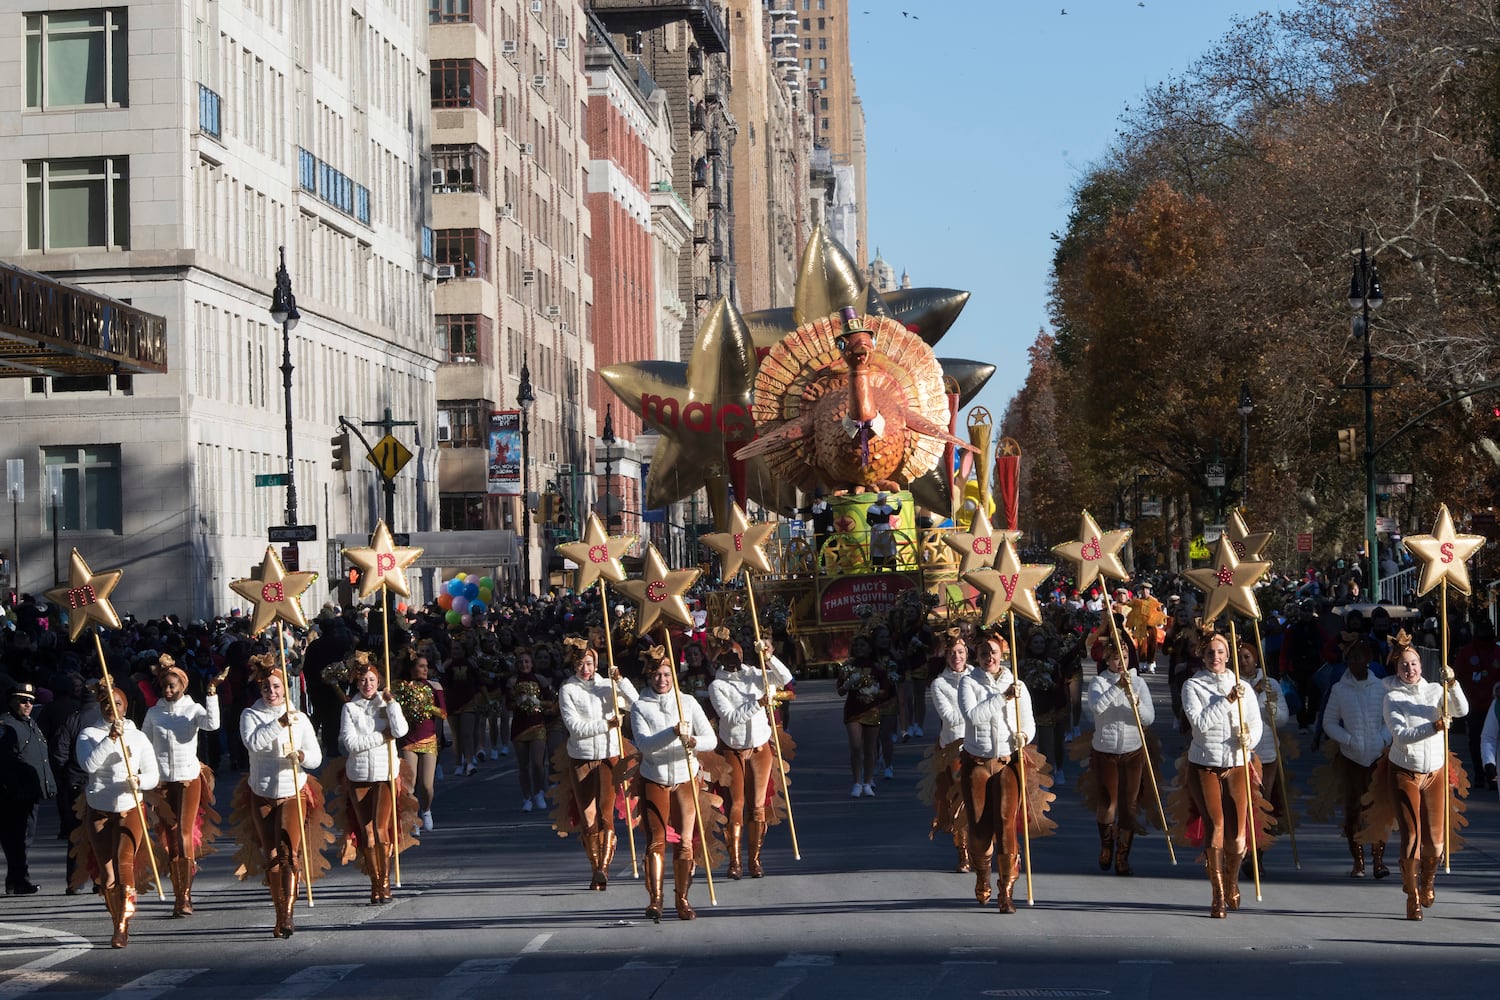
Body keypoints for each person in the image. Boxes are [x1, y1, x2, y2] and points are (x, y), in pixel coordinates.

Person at [1384, 634, 1468, 920]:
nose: (1411, 670)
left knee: (1435, 841)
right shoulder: (1392, 697)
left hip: (1435, 770)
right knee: (1411, 836)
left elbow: (1462, 710)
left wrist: (1453, 684)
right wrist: (1434, 726)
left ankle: (1428, 881)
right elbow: (1401, 735)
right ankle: (1412, 895)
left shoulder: (1435, 690)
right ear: (1397, 670)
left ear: (1422, 665)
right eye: (1404, 666)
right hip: (1404, 770)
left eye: (1415, 663)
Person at [239, 657, 324, 938]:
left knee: (289, 852)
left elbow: (316, 756)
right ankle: (279, 912)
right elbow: (253, 742)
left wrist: (301, 756)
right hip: (262, 792)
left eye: (276, 686)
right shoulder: (250, 715)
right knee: (272, 855)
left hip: (292, 791)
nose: (271, 692)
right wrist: (278, 723)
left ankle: (287, 916)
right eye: (266, 687)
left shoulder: (299, 717)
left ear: (285, 688)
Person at [631, 645, 717, 922]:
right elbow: (644, 745)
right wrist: (672, 732)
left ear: (674, 676)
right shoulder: (639, 706)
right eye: (657, 674)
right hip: (654, 776)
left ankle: (683, 899)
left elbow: (710, 739)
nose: (662, 679)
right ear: (649, 676)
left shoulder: (688, 702)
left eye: (667, 674)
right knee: (656, 842)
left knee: (685, 842)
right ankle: (656, 899)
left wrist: (693, 741)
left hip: (685, 776)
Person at [1182, 628, 1263, 918]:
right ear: (1201, 656)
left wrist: (1248, 740)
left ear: (1228, 655)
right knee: (1216, 824)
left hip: (1237, 763)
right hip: (1205, 763)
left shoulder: (1243, 687)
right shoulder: (1193, 686)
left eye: (1220, 651)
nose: (1215, 657)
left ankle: (1231, 879)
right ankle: (1217, 894)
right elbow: (1200, 724)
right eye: (1209, 652)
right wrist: (1226, 701)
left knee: (1238, 835)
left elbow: (1255, 724)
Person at [77, 684, 160, 948]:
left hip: (130, 806)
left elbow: (153, 774)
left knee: (125, 864)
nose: (112, 708)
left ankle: (123, 926)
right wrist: (110, 739)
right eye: (106, 704)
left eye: (117, 703)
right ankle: (116, 920)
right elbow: (88, 764)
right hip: (99, 809)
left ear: (125, 707)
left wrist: (139, 780)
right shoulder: (88, 734)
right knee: (108, 873)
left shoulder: (138, 737)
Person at [958, 634, 1034, 914]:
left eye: (993, 652)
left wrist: (1023, 735)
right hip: (977, 762)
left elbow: (1028, 721)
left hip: (1006, 761)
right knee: (979, 829)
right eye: (983, 653)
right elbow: (972, 716)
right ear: (976, 658)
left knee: (1005, 824)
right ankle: (982, 871)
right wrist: (1003, 698)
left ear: (1003, 654)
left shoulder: (1018, 685)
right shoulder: (969, 682)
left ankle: (1006, 890)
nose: (989, 657)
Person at [141, 655, 223, 917]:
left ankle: (185, 898)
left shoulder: (193, 709)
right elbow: (143, 745)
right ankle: (178, 893)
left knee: (184, 835)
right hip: (162, 782)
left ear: (183, 686)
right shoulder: (154, 712)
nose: (168, 690)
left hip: (188, 779)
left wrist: (211, 694)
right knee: (169, 839)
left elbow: (212, 724)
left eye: (173, 686)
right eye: (164, 686)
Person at [708, 638, 794, 880]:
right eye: (730, 656)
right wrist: (758, 703)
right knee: (736, 804)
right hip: (733, 748)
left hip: (759, 747)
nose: (736, 659)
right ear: (722, 659)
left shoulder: (755, 674)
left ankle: (754, 860)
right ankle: (734, 860)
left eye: (739, 654)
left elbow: (785, 678)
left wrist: (767, 656)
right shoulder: (718, 685)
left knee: (757, 806)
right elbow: (730, 717)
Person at [558, 635, 638, 890]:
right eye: (581, 663)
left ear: (596, 663)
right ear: (574, 665)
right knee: (588, 817)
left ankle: (604, 866)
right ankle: (595, 869)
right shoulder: (568, 689)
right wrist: (606, 724)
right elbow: (574, 727)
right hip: (582, 757)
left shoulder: (607, 685)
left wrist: (620, 680)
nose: (586, 668)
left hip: (608, 754)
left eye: (590, 663)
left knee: (606, 815)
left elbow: (636, 703)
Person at [337, 654, 409, 904]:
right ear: (357, 684)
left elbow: (400, 731)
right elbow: (350, 744)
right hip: (358, 776)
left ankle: (385, 883)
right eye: (363, 680)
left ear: (378, 681)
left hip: (384, 774)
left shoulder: (386, 703)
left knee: (380, 830)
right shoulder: (350, 708)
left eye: (371, 679)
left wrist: (392, 705)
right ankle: (375, 881)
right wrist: (381, 737)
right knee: (366, 833)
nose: (368, 684)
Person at [1321, 638, 1390, 878]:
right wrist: (1347, 739)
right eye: (1350, 659)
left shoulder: (1381, 688)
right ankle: (1358, 860)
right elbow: (1328, 722)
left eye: (1358, 658)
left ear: (1368, 661)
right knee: (1354, 810)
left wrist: (1383, 739)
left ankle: (1379, 860)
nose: (1354, 663)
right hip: (1351, 759)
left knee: (1378, 809)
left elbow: (1389, 721)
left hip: (1377, 758)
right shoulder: (1340, 690)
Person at [1085, 644, 1154, 876]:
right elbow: (1096, 707)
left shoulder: (1139, 683)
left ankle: (1123, 855)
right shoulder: (1099, 682)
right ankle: (1106, 844)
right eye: (1115, 658)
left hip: (1133, 750)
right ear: (1107, 660)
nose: (1120, 662)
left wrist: (1134, 699)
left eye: (1124, 657)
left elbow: (1149, 718)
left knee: (1129, 806)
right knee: (1108, 803)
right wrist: (1117, 687)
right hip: (1106, 749)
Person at [1, 683, 57, 894]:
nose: (27, 704)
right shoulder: (6, 725)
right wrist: (12, 789)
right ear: (12, 700)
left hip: (29, 792)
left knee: (24, 836)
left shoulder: (29, 723)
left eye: (31, 701)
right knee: (17, 838)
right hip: (14, 794)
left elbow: (40, 757)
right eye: (22, 700)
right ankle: (19, 880)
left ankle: (15, 880)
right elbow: (5, 762)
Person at [926, 630, 971, 871]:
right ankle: (962, 851)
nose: (957, 657)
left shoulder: (978, 676)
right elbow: (951, 718)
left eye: (961, 652)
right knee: (960, 800)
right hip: (954, 746)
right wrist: (978, 712)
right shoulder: (940, 684)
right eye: (952, 653)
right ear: (946, 655)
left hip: (981, 743)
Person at [836, 633, 897, 797]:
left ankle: (868, 782)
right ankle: (856, 782)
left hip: (871, 710)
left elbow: (886, 691)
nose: (859, 648)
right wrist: (849, 684)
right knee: (856, 747)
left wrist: (875, 691)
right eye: (856, 646)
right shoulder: (847, 667)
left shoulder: (877, 668)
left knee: (870, 748)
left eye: (862, 645)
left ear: (870, 648)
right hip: (853, 710)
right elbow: (840, 690)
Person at [394, 650, 446, 835]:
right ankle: (412, 819)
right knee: (410, 783)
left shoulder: (435, 686)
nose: (425, 670)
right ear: (412, 669)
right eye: (421, 666)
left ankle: (426, 810)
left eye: (426, 666)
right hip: (408, 739)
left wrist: (426, 706)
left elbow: (443, 713)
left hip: (429, 738)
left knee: (427, 785)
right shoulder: (401, 687)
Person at [509, 648, 554, 812]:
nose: (524, 664)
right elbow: (507, 704)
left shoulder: (540, 679)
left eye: (526, 661)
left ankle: (539, 792)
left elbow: (550, 702)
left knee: (537, 763)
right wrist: (519, 702)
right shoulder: (512, 682)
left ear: (532, 663)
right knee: (523, 765)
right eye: (520, 662)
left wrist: (537, 703)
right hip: (519, 726)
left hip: (537, 725)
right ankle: (526, 797)